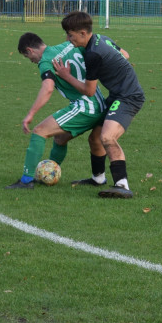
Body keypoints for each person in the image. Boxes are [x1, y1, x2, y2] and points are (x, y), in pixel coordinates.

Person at [54, 11, 146, 199]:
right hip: (117, 95)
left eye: (70, 34)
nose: (68, 39)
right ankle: (98, 178)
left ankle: (122, 185)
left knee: (107, 137)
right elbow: (125, 55)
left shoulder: (93, 55)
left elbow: (88, 91)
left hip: (128, 97)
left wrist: (66, 76)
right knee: (95, 139)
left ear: (82, 33)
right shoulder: (101, 39)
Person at [7, 32, 107, 190]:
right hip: (100, 102)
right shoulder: (68, 45)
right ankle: (49, 172)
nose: (32, 61)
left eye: (28, 57)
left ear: (30, 50)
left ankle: (26, 181)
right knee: (60, 139)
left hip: (85, 107)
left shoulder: (46, 61)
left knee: (39, 131)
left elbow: (47, 89)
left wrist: (30, 114)